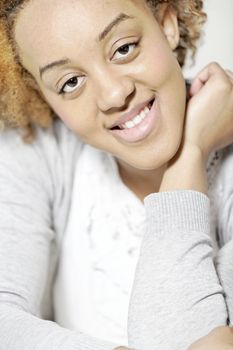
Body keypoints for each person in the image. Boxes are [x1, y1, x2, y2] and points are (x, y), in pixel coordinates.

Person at [0, 0, 233, 349]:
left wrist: (189, 155)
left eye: (123, 48)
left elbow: (176, 337)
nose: (113, 95)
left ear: (167, 25)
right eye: (71, 82)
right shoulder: (40, 153)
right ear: (44, 96)